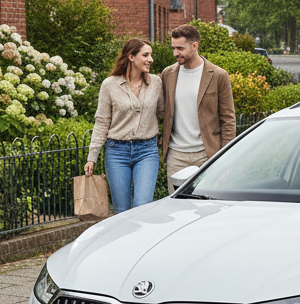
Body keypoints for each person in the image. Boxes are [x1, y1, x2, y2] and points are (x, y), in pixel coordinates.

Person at [85, 38, 165, 212]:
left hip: (147, 151)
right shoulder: (109, 85)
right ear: (131, 57)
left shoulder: (156, 83)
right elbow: (102, 122)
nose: (150, 59)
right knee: (122, 210)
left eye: (151, 55)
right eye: (146, 55)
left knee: (142, 206)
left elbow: (164, 112)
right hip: (116, 152)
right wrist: (92, 156)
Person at [161, 23, 236, 186]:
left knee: (207, 200)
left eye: (180, 48)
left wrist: (226, 156)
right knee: (176, 202)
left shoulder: (218, 75)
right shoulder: (168, 74)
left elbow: (228, 120)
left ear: (194, 46)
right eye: (174, 48)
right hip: (176, 155)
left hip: (207, 154)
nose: (175, 53)